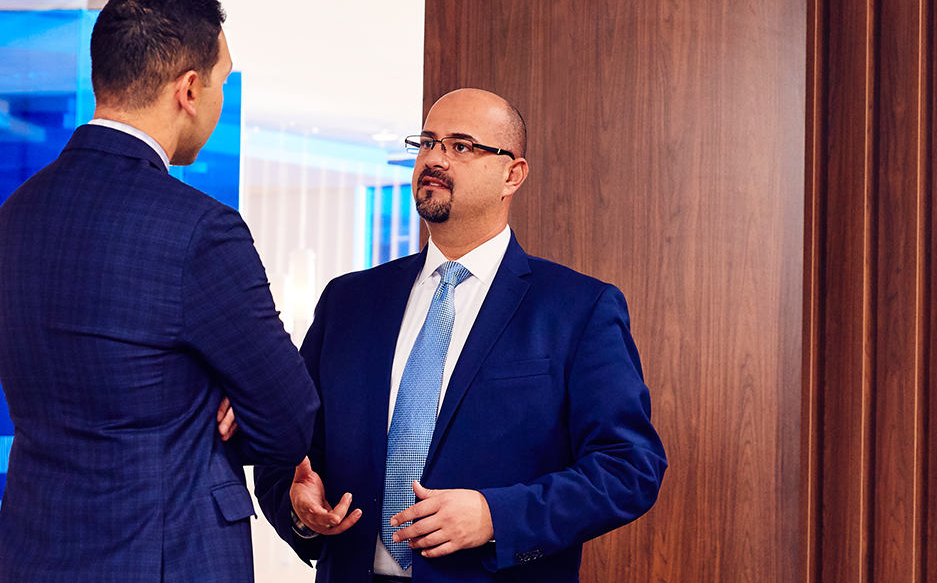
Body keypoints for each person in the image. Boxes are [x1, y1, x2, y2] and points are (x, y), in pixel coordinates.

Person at [255, 89, 668, 583]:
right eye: (427, 142)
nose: (434, 158)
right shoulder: (349, 301)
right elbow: (292, 450)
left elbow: (629, 467)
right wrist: (299, 512)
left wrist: (496, 516)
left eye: (461, 146)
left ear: (512, 174)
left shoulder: (578, 309)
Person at [0, 0, 317, 581]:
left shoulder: (16, 215)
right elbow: (289, 420)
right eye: (222, 81)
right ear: (189, 89)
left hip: (29, 557)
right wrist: (223, 402)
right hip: (164, 559)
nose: (220, 99)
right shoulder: (200, 229)